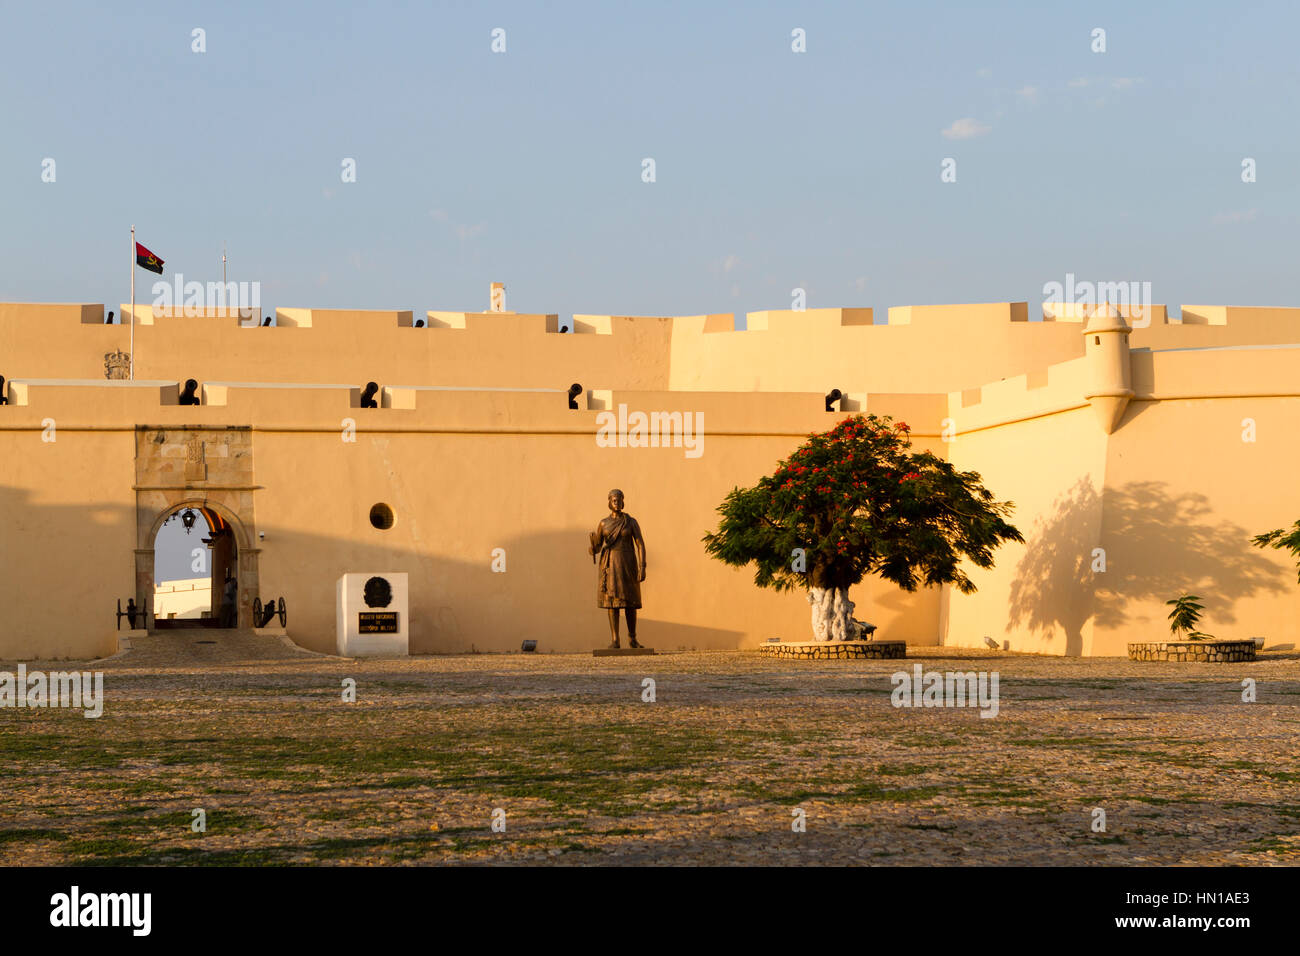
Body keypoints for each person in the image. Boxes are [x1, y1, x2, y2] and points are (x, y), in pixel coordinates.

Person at [588, 489, 646, 648]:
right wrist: (592, 548)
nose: (617, 503)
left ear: (623, 501)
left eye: (620, 500)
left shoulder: (631, 522)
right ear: (609, 502)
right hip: (610, 564)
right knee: (612, 602)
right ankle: (615, 640)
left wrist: (642, 566)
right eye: (614, 500)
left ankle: (632, 638)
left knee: (630, 602)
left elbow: (640, 543)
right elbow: (598, 545)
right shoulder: (603, 523)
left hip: (628, 563)